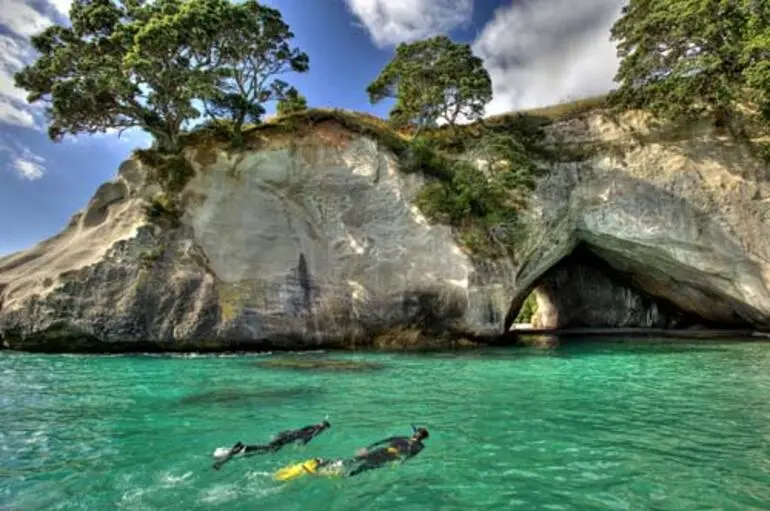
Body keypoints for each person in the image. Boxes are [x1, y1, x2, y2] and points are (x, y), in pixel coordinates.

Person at [212, 420, 331, 470]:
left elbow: (301, 432)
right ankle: (243, 448)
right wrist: (301, 446)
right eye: (324, 428)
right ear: (324, 428)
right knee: (268, 449)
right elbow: (305, 439)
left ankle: (244, 450)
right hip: (285, 438)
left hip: (284, 435)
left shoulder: (313, 427)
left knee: (268, 449)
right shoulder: (315, 431)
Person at [345, 425, 429, 477]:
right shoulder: (420, 446)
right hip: (389, 456)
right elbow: (411, 455)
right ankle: (346, 472)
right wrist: (401, 461)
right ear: (423, 438)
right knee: (365, 465)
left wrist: (367, 448)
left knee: (360, 461)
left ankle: (342, 467)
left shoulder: (402, 438)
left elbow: (383, 441)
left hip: (384, 452)